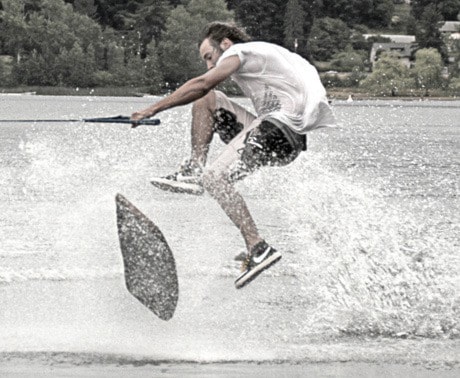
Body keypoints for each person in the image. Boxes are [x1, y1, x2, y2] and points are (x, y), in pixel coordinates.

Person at [131, 22, 336, 289]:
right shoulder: (264, 54)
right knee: (208, 101)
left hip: (278, 130)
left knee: (214, 176)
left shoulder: (239, 52)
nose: (209, 65)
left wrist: (151, 109)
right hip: (280, 136)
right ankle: (195, 168)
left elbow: (202, 83)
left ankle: (258, 247)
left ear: (225, 44)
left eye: (209, 57)